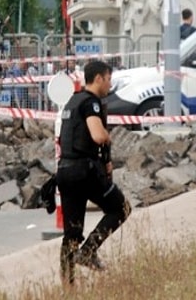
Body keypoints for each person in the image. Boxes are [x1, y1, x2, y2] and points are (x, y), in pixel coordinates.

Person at [56, 60, 131, 284]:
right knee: (121, 208)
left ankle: (68, 286)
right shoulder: (91, 103)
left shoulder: (72, 101)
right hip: (84, 171)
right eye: (108, 79)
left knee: (71, 233)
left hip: (65, 171)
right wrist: (107, 139)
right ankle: (88, 251)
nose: (109, 85)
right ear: (98, 78)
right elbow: (98, 135)